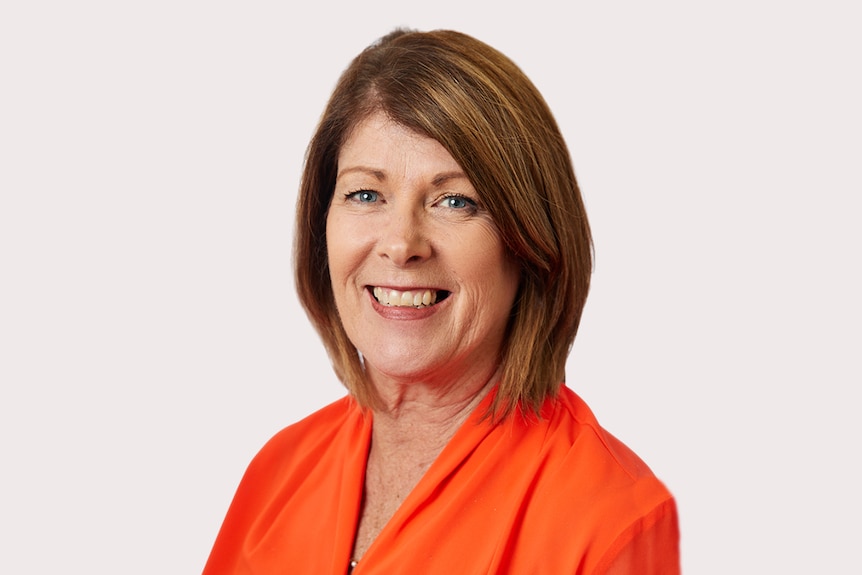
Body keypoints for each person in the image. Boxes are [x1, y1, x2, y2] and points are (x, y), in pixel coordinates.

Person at [203, 28, 680, 574]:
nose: (402, 243)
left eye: (456, 201)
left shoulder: (611, 523)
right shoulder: (277, 475)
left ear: (529, 241)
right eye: (365, 194)